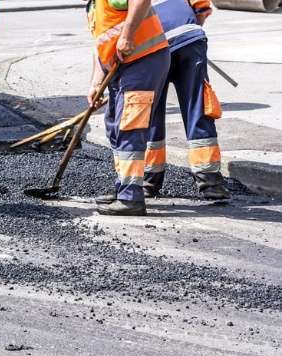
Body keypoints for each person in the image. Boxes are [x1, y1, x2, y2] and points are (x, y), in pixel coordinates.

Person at [86, 0, 171, 216]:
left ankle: (131, 197)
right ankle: (123, 186)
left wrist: (127, 35)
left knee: (130, 127)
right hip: (121, 67)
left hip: (143, 60)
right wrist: (96, 83)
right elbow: (101, 45)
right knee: (114, 125)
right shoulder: (95, 7)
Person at [143, 0, 230, 200]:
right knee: (197, 106)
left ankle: (148, 180)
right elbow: (201, 8)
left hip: (151, 44)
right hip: (189, 38)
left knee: (150, 110)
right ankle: (210, 181)